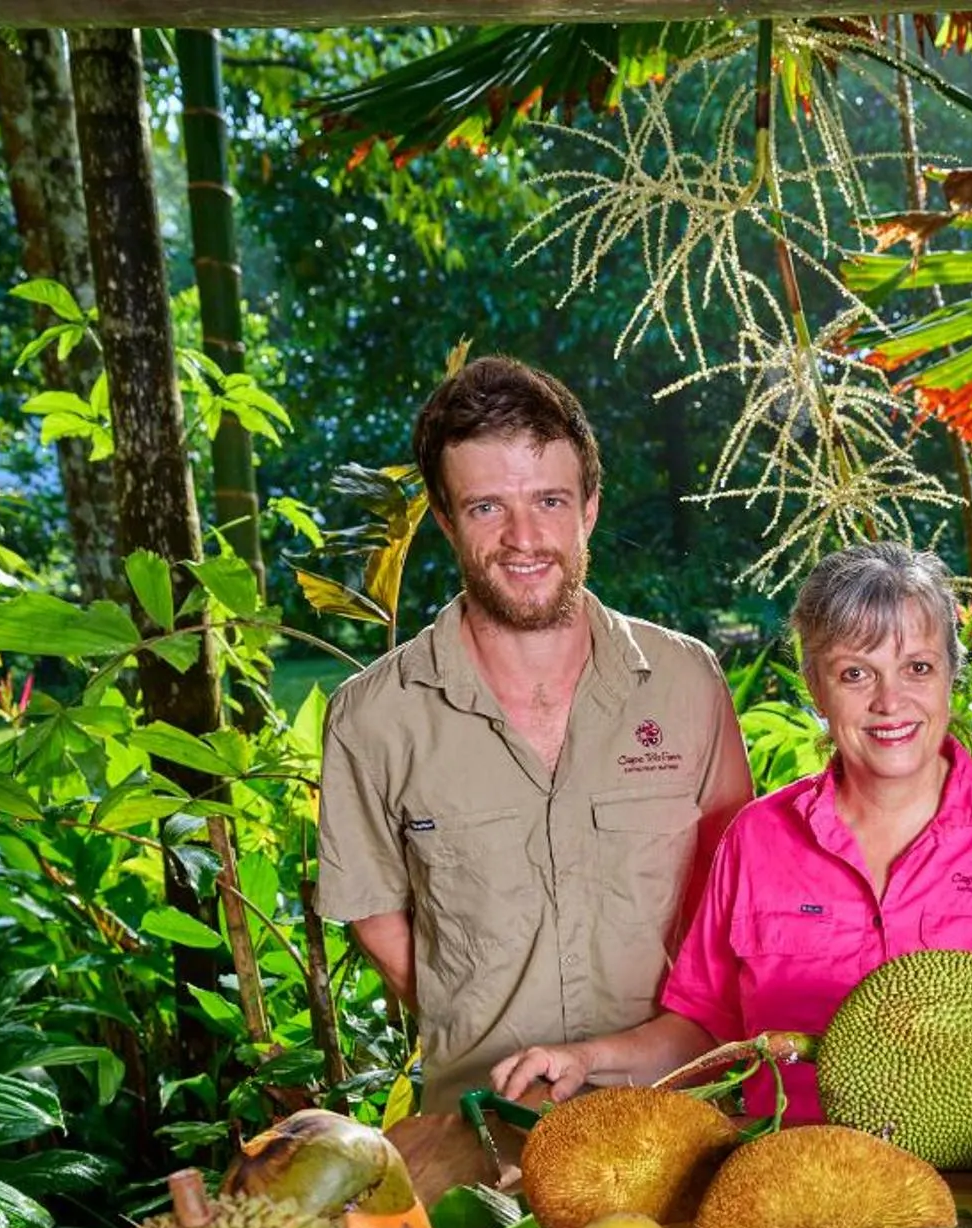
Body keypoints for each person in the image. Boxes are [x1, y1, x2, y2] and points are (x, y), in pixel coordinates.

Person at [493, 542, 972, 1115]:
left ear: (952, 675)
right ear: (815, 687)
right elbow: (703, 1033)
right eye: (855, 674)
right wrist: (587, 1059)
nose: (890, 701)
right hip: (792, 1181)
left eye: (917, 668)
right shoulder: (758, 841)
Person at [314, 357, 752, 1102]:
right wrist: (475, 1016)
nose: (524, 538)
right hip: (483, 1119)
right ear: (445, 518)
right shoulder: (373, 718)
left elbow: (734, 886)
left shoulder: (687, 683)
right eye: (487, 507)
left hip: (675, 1108)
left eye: (549, 500)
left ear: (589, 509)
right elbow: (376, 914)